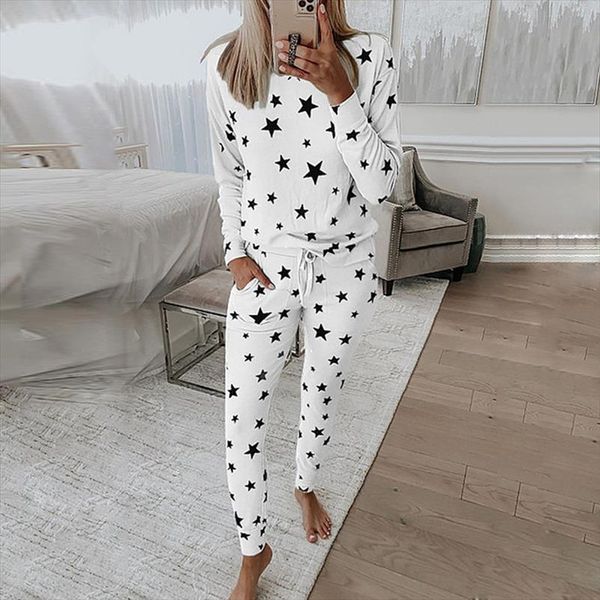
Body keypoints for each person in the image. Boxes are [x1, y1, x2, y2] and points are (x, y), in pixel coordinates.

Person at [201, 1, 401, 598]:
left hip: (346, 268)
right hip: (264, 269)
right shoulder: (226, 64)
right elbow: (228, 172)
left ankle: (305, 484)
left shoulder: (370, 56)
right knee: (242, 418)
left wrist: (340, 92)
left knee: (322, 388)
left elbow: (382, 185)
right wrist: (234, 253)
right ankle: (253, 550)